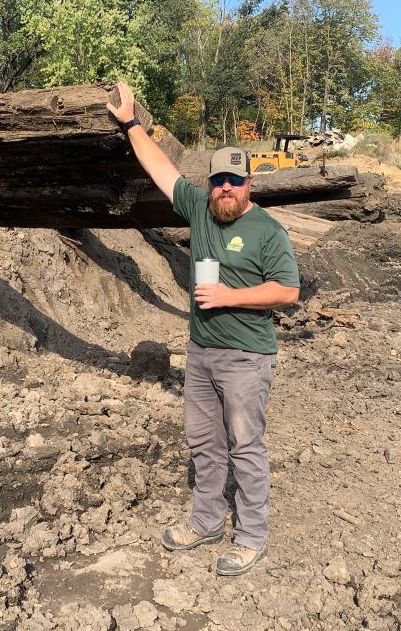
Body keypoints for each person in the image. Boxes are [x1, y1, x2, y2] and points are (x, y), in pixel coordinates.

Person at [106, 82, 300, 576]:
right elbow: (161, 169)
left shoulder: (267, 231)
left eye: (234, 180)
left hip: (246, 358)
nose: (226, 189)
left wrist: (232, 296)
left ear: (249, 182)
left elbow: (288, 292)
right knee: (202, 443)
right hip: (201, 351)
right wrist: (132, 123)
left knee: (246, 445)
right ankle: (207, 520)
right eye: (219, 181)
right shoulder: (200, 210)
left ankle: (251, 535)